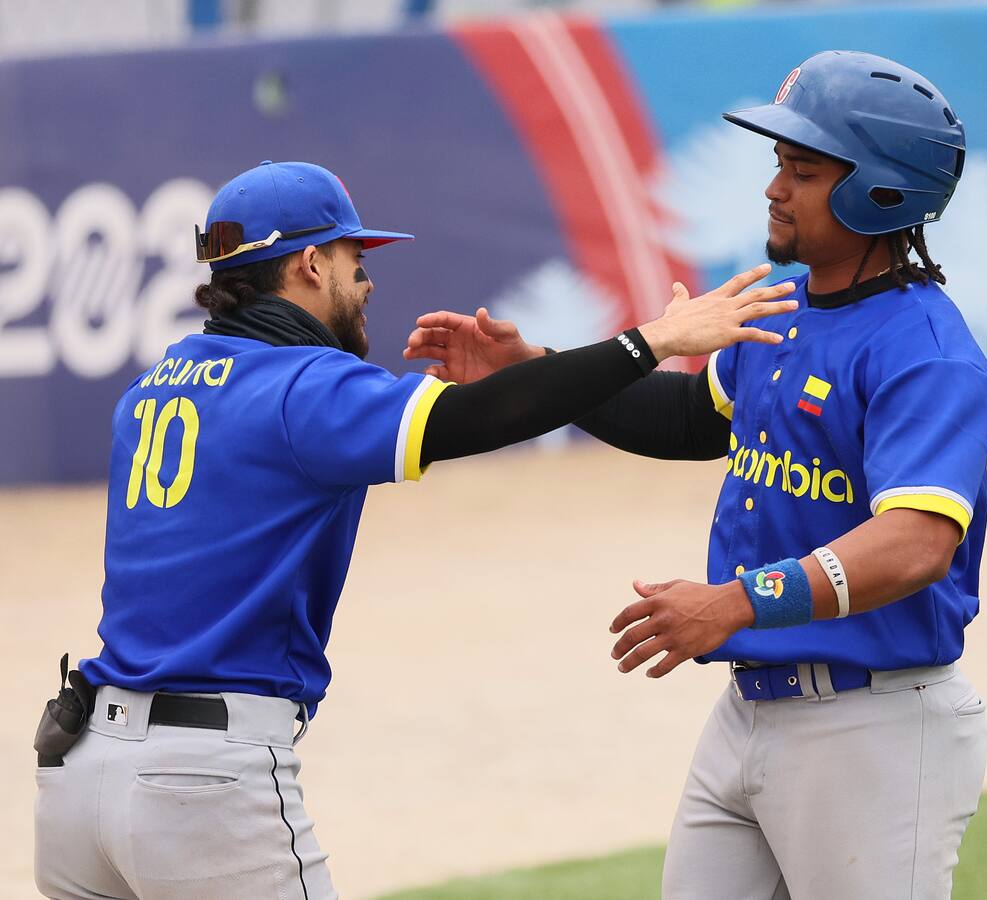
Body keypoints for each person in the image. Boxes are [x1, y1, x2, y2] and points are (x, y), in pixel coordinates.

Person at [31, 159, 799, 900]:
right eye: (352, 257)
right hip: (198, 786)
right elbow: (477, 421)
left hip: (80, 776)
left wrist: (526, 364)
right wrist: (653, 341)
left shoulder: (152, 385)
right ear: (306, 268)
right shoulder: (301, 388)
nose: (366, 280)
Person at [404, 51, 987, 899]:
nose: (774, 188)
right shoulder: (781, 309)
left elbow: (915, 546)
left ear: (881, 191)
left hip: (877, 728)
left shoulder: (926, 352)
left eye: (803, 170)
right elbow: (689, 421)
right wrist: (537, 367)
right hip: (749, 712)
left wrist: (732, 602)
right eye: (778, 166)